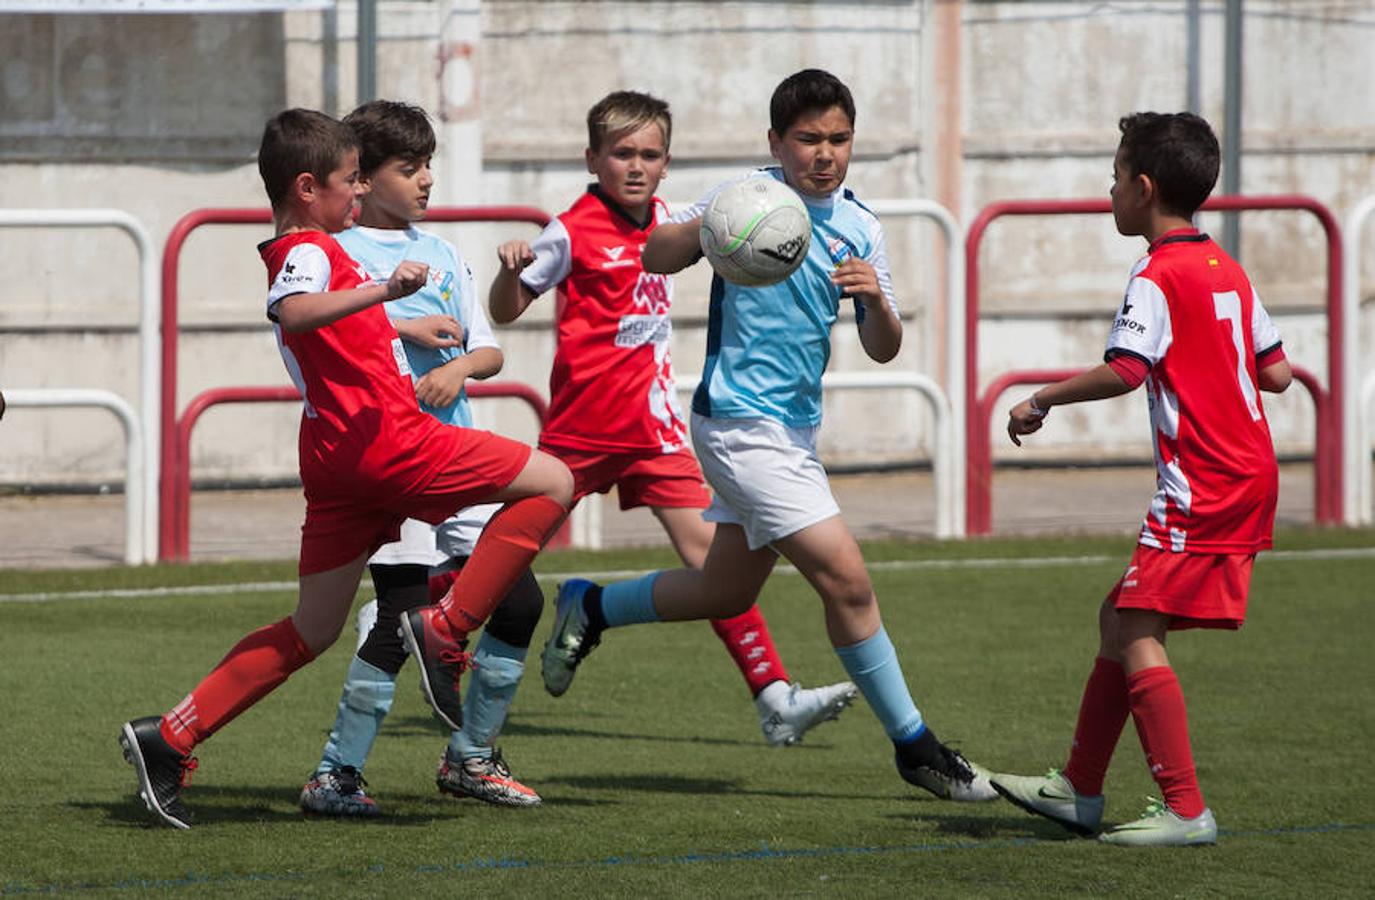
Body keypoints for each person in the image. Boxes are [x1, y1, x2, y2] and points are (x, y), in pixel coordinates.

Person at [536, 70, 995, 802]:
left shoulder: (859, 224)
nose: (824, 153)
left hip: (791, 431)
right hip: (739, 426)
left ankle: (589, 606)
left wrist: (874, 299)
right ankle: (916, 747)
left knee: (721, 590)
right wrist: (705, 231)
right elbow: (652, 253)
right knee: (847, 582)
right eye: (807, 138)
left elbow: (883, 347)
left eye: (838, 139)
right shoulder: (741, 196)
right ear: (775, 142)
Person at [118, 108, 572, 829]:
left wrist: (395, 319)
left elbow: (331, 324)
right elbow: (295, 311)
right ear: (306, 187)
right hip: (388, 441)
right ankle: (446, 626)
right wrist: (386, 293)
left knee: (312, 628)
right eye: (347, 182)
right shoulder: (309, 249)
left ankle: (170, 736)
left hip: (337, 459)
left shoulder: (323, 248)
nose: (357, 195)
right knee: (554, 481)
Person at [488, 90, 858, 747]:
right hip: (579, 434)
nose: (635, 166)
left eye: (649, 154)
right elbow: (508, 309)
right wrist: (508, 270)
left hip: (655, 432)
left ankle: (773, 697)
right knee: (502, 559)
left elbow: (736, 229)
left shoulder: (677, 225)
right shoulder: (572, 228)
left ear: (666, 163)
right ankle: (424, 607)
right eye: (622, 153)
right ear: (592, 159)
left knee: (714, 573)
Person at [991, 112, 1292, 846]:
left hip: (1204, 482)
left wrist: (1038, 399)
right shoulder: (1226, 267)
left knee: (1132, 628)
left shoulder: (1157, 273)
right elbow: (1277, 373)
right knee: (1119, 618)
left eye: (1115, 176)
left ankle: (1185, 809)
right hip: (1248, 471)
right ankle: (1078, 788)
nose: (1110, 188)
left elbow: (1127, 370)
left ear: (1143, 188)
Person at [296, 101, 543, 817]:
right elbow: (309, 328)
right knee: (401, 611)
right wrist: (402, 326)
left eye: (428, 164)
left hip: (452, 452)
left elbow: (489, 347)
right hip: (383, 455)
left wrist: (458, 369)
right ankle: (337, 773)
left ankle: (471, 756)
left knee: (521, 600)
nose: (427, 180)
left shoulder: (440, 253)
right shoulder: (333, 256)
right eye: (409, 168)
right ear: (361, 181)